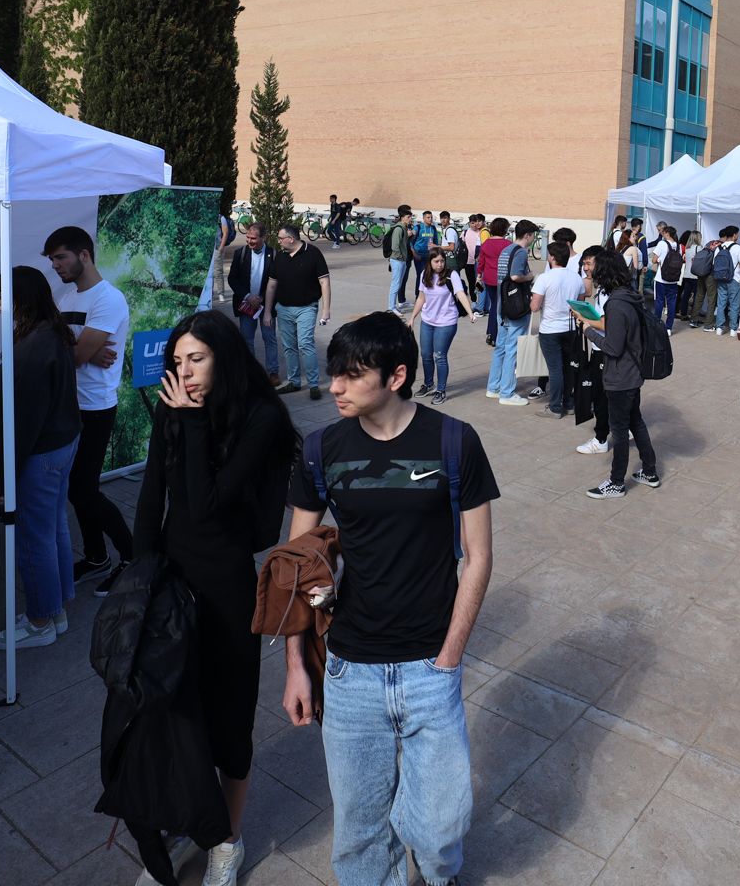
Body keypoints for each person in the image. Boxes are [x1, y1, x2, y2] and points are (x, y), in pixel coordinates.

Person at [281, 314, 499, 886]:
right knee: (358, 831)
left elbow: (477, 557)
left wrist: (451, 653)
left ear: (397, 376)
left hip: (431, 666)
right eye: (334, 374)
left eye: (351, 376)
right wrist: (297, 667)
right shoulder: (320, 449)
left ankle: (432, 868)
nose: (334, 387)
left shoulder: (454, 442)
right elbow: (296, 566)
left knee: (441, 825)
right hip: (351, 669)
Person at [123, 310, 297, 886]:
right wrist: (139, 580)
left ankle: (227, 838)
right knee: (172, 714)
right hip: (171, 580)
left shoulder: (261, 417)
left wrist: (193, 424)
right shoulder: (174, 411)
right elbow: (152, 497)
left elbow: (207, 508)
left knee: (228, 720)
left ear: (224, 355)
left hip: (226, 588)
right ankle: (186, 820)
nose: (186, 372)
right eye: (177, 362)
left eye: (196, 359)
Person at [0, 266, 81, 650]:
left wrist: (0, 481)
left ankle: (40, 620)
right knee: (53, 527)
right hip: (60, 444)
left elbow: (20, 427)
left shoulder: (31, 348)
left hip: (41, 453)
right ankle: (55, 609)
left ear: (18, 299)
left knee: (33, 538)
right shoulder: (50, 332)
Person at [43, 227, 136, 595]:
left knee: (83, 489)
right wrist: (83, 349)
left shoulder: (108, 299)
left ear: (84, 255)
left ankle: (132, 557)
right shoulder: (67, 297)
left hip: (95, 408)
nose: (55, 266)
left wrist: (83, 350)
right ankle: (97, 558)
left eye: (60, 258)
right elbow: (57, 344)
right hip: (69, 404)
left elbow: (74, 355)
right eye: (51, 260)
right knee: (78, 489)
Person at [576, 251, 660, 497]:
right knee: (636, 422)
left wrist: (587, 329)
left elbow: (612, 346)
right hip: (632, 373)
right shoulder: (631, 296)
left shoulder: (616, 303)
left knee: (620, 429)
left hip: (621, 376)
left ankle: (616, 482)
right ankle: (650, 471)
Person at [266, 222, 332, 401]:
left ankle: (313, 384)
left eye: (280, 238)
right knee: (288, 346)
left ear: (291, 239)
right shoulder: (280, 256)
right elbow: (272, 285)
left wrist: (326, 310)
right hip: (283, 308)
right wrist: (267, 311)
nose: (278, 242)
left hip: (306, 308)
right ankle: (294, 381)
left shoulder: (313, 253)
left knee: (305, 343)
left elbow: (324, 282)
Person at [408, 245, 478, 404]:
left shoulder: (451, 275)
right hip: (427, 321)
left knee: (439, 356)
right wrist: (412, 317)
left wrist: (470, 312)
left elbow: (460, 294)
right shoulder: (424, 275)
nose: (440, 264)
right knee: (425, 355)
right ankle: (428, 384)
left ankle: (441, 390)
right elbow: (421, 297)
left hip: (446, 322)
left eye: (442, 261)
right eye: (436, 261)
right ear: (430, 262)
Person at [488, 220, 539, 406]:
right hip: (515, 307)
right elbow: (516, 276)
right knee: (512, 349)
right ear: (527, 235)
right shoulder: (521, 252)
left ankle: (494, 387)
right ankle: (507, 393)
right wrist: (531, 276)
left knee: (501, 347)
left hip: (502, 304)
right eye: (533, 235)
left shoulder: (506, 250)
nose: (534, 239)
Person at [531, 240, 583, 417]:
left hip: (550, 329)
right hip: (570, 328)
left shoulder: (544, 278)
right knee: (568, 367)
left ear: (552, 258)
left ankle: (554, 407)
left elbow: (535, 306)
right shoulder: (576, 278)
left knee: (555, 369)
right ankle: (568, 404)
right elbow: (580, 303)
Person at [571, 246, 613, 456]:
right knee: (611, 396)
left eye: (589, 263)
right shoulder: (603, 288)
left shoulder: (607, 293)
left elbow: (606, 325)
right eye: (584, 264)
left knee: (601, 396)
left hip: (604, 350)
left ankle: (601, 438)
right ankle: (624, 427)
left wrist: (584, 320)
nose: (585, 268)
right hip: (602, 348)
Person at [226, 222, 280, 386]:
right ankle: (251, 373)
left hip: (266, 306)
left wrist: (262, 298)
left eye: (253, 238)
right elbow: (232, 279)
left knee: (269, 338)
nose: (249, 241)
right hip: (246, 306)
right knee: (247, 340)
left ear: (264, 238)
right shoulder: (240, 253)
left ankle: (273, 373)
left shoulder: (274, 255)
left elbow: (277, 281)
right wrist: (248, 296)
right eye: (248, 237)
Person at [477, 217, 512, 347]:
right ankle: (495, 333)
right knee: (499, 307)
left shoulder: (486, 244)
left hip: (489, 279)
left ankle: (491, 332)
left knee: (494, 305)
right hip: (503, 280)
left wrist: (479, 275)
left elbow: (481, 262)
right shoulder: (508, 244)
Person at [711, 226, 740, 337]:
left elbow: (714, 264)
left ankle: (719, 328)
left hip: (721, 279)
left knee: (721, 303)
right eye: (737, 234)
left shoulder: (718, 248)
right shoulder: (738, 248)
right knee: (735, 305)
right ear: (733, 235)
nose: (738, 236)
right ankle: (733, 329)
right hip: (735, 279)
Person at [649, 226, 683, 332]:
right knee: (671, 303)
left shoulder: (662, 244)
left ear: (667, 233)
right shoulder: (678, 246)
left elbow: (654, 260)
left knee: (659, 302)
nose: (662, 235)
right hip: (673, 279)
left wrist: (659, 259)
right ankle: (669, 328)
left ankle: (657, 326)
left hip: (661, 279)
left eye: (663, 233)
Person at [384, 206, 416, 312]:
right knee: (395, 284)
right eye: (408, 217)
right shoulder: (398, 228)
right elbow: (395, 246)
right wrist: (401, 257)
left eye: (410, 217)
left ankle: (394, 306)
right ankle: (391, 307)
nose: (410, 219)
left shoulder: (403, 228)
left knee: (398, 283)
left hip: (401, 260)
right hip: (397, 260)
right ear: (402, 218)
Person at [676, 229, 702, 328]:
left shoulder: (687, 248)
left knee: (686, 295)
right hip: (695, 275)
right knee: (696, 296)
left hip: (687, 274)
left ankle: (683, 313)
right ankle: (694, 316)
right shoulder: (699, 248)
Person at [461, 214, 486, 298]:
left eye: (476, 222)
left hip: (478, 262)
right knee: (471, 282)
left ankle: (480, 301)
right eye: (472, 223)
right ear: (469, 223)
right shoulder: (465, 232)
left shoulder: (481, 232)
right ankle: (474, 299)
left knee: (479, 282)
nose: (474, 224)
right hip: (468, 261)